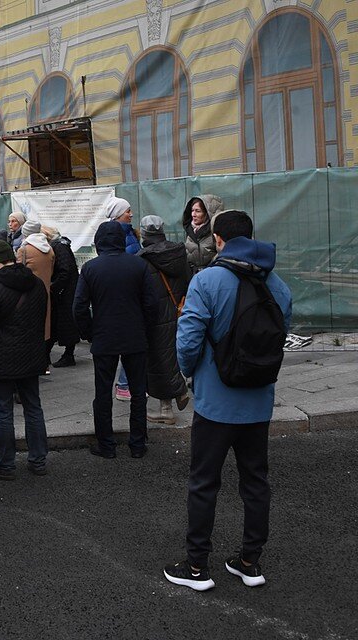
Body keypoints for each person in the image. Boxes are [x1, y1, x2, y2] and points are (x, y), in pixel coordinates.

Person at [164, 210, 292, 592]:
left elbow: (187, 342)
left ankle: (197, 566)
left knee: (204, 482)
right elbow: (279, 336)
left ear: (218, 240)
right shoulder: (277, 284)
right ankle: (249, 562)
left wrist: (191, 373)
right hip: (258, 401)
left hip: (215, 404)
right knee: (256, 481)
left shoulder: (207, 281)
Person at [73, 220, 158, 459]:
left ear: (99, 241)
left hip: (104, 336)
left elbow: (79, 306)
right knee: (138, 392)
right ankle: (138, 445)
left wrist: (89, 332)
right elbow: (152, 304)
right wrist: (145, 328)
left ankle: (106, 445)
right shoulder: (138, 265)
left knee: (102, 393)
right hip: (135, 335)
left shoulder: (91, 268)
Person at [0, 241, 49, 479]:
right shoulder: (37, 284)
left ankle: (6, 464)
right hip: (31, 355)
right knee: (33, 408)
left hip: (2, 356)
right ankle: (38, 461)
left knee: (3, 412)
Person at [137, 216, 191, 425]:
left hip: (155, 316)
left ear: (143, 233)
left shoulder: (142, 258)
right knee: (172, 354)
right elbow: (187, 280)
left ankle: (166, 408)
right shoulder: (178, 253)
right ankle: (178, 390)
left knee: (158, 360)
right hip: (179, 310)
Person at [103, 197, 139, 399]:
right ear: (118, 215)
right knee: (129, 344)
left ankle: (125, 384)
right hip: (126, 298)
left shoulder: (126, 234)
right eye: (128, 211)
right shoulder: (123, 237)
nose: (131, 214)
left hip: (122, 298)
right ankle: (124, 385)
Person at [17, 219, 55, 375]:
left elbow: (19, 273)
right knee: (44, 328)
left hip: (28, 294)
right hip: (45, 292)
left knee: (28, 329)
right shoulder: (49, 248)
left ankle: (30, 363)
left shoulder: (24, 249)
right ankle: (43, 362)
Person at [46, 225, 80, 368]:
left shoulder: (59, 247)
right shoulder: (60, 246)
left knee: (65, 323)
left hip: (66, 292)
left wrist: (54, 287)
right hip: (66, 291)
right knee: (59, 323)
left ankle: (68, 355)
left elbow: (65, 270)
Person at [182, 194, 224, 273]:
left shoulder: (216, 232)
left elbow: (222, 253)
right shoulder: (190, 230)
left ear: (207, 213)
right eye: (192, 210)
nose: (193, 214)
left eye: (198, 211)